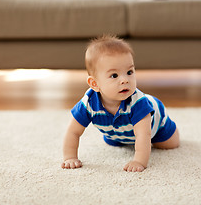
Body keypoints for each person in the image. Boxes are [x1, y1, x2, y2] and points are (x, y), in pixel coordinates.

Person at [61, 35, 180, 172]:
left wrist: (139, 161)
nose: (125, 80)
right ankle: (120, 136)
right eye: (114, 75)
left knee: (169, 144)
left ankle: (171, 129)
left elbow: (144, 136)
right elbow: (73, 132)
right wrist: (70, 157)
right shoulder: (88, 103)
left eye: (129, 72)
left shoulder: (139, 104)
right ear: (95, 84)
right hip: (116, 131)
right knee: (113, 142)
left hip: (155, 126)